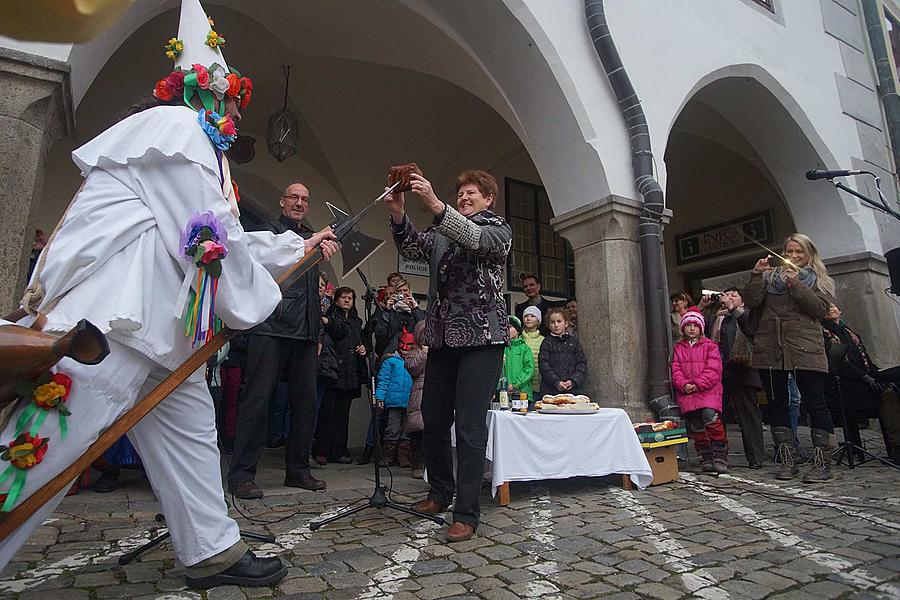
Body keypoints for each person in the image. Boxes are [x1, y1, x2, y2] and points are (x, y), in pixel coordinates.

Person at [0, 0, 338, 585]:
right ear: (207, 93)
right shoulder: (179, 133)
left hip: (157, 333)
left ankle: (211, 549)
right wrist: (254, 298)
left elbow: (215, 239)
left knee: (189, 436)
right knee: (44, 448)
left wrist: (295, 250)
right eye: (234, 98)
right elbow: (210, 243)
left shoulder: (187, 145)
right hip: (108, 329)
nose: (237, 111)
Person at [387, 168, 511, 542]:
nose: (464, 198)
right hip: (442, 340)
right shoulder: (443, 230)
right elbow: (411, 247)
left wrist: (436, 205)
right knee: (433, 418)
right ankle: (440, 492)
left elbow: (475, 239)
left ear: (488, 199)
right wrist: (398, 210)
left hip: (481, 340)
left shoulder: (498, 228)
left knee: (471, 427)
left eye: (472, 193)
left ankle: (467, 513)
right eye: (460, 194)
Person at [227, 181, 346, 499]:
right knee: (256, 402)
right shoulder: (270, 231)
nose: (299, 202)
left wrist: (316, 332)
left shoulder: (311, 237)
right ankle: (241, 475)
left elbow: (314, 293)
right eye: (293, 197)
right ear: (282, 201)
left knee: (306, 405)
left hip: (305, 333)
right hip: (271, 327)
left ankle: (298, 471)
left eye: (305, 199)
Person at [744, 233, 836, 482]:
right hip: (771, 347)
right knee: (776, 404)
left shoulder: (819, 279)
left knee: (815, 402)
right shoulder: (769, 277)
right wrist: (755, 275)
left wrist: (796, 285)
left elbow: (819, 310)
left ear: (809, 254)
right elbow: (751, 301)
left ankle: (821, 463)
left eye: (799, 252)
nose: (793, 256)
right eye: (789, 252)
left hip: (805, 347)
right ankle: (787, 459)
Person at [821, 303, 900, 460]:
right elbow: (841, 364)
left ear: (840, 310)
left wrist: (877, 375)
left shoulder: (850, 333)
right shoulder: (824, 333)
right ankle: (897, 445)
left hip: (865, 378)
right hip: (846, 385)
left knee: (894, 382)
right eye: (827, 307)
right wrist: (867, 378)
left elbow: (866, 361)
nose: (831, 309)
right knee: (886, 395)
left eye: (833, 306)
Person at [709, 288, 764, 468]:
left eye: (734, 295)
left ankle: (755, 457)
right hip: (719, 372)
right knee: (718, 416)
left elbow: (751, 328)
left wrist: (733, 308)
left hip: (742, 370)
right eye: (726, 295)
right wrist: (703, 306)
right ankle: (718, 456)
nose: (728, 298)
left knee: (748, 416)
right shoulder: (717, 317)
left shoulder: (745, 314)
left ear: (742, 300)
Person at [314, 287, 366, 464]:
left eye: (350, 298)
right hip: (333, 370)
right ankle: (321, 450)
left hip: (350, 373)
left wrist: (363, 348)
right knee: (326, 413)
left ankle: (339, 450)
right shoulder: (330, 319)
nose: (347, 300)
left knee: (343, 416)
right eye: (343, 297)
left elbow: (361, 341)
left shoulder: (356, 321)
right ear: (336, 300)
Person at [672, 308, 727, 473]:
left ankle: (720, 454)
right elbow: (675, 369)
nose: (691, 329)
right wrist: (683, 385)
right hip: (688, 393)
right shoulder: (678, 348)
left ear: (701, 328)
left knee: (710, 418)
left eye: (695, 325)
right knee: (696, 425)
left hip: (707, 391)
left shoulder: (710, 346)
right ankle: (705, 455)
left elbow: (713, 369)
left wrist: (697, 384)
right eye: (688, 325)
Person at [539, 307, 588, 397]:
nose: (556, 325)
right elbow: (543, 365)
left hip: (573, 391)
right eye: (552, 322)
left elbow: (582, 363)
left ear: (566, 323)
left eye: (559, 321)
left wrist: (573, 381)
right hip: (551, 390)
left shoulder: (574, 342)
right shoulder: (546, 342)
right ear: (549, 325)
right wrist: (556, 382)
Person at [404, 320, 428, 478]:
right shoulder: (414, 352)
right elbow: (413, 367)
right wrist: (424, 353)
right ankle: (417, 463)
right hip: (418, 395)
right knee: (417, 432)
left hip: (435, 394)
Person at [503, 316, 535, 400]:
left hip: (522, 393)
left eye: (510, 327)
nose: (506, 330)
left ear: (517, 331)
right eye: (504, 327)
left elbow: (529, 370)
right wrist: (501, 386)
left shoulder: (525, 348)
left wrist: (515, 385)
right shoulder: (501, 349)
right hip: (503, 394)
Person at [521, 306, 545, 401]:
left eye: (532, 316)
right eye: (526, 316)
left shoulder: (543, 340)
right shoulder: (519, 340)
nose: (529, 318)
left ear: (538, 321)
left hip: (537, 385)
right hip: (521, 384)